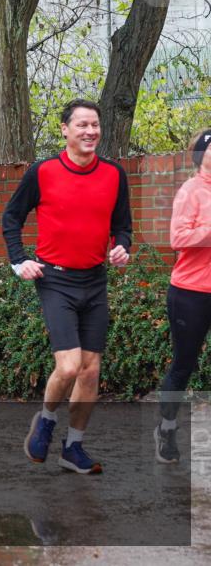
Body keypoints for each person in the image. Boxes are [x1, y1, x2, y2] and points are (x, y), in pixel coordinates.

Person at [2, 99, 132, 474]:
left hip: (94, 280)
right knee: (71, 365)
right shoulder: (42, 172)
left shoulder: (113, 174)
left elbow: (123, 225)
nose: (90, 132)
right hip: (55, 279)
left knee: (91, 371)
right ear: (64, 129)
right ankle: (45, 420)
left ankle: (73, 448)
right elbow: (12, 217)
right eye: (82, 125)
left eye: (95, 125)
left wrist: (122, 246)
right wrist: (18, 260)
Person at [155, 129, 211, 463]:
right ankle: (167, 427)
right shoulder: (191, 191)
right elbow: (178, 237)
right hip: (191, 293)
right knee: (184, 365)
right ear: (201, 155)